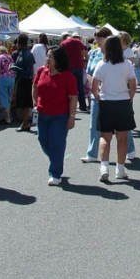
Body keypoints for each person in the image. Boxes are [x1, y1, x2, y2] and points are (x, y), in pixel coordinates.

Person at [92, 35, 137, 182]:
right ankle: (120, 169)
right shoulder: (127, 64)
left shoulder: (101, 64)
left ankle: (104, 167)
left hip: (106, 102)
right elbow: (133, 85)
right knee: (122, 138)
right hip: (123, 102)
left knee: (105, 137)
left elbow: (94, 86)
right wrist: (129, 97)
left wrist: (99, 97)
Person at [33, 47, 77, 186]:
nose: (47, 59)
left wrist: (72, 117)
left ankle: (55, 173)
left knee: (56, 143)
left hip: (60, 116)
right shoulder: (41, 71)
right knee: (43, 140)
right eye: (47, 56)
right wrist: (34, 102)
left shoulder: (68, 76)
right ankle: (57, 160)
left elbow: (73, 97)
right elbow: (35, 86)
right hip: (42, 113)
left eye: (50, 56)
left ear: (58, 59)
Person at [80, 27, 113, 163]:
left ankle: (129, 149)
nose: (97, 40)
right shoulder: (93, 53)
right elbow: (88, 72)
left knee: (120, 127)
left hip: (112, 94)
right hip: (96, 94)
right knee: (94, 124)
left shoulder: (115, 54)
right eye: (96, 38)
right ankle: (92, 154)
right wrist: (92, 86)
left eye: (100, 38)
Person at [119, 31, 137, 160]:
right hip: (119, 84)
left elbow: (130, 67)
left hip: (126, 84)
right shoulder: (117, 51)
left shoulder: (128, 51)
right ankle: (128, 149)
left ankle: (130, 149)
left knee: (125, 117)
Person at [11, 34, 35, 132]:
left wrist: (17, 69)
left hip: (25, 81)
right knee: (23, 103)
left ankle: (25, 123)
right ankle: (25, 122)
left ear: (19, 43)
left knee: (25, 103)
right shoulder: (22, 53)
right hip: (23, 80)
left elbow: (29, 71)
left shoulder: (27, 54)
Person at [60, 31, 88, 111]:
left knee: (69, 88)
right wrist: (83, 59)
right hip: (79, 66)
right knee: (80, 87)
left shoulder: (63, 43)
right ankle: (83, 106)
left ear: (63, 37)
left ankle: (69, 106)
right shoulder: (78, 41)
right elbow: (84, 52)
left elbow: (61, 56)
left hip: (69, 68)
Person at [0, 45, 15, 125]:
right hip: (12, 78)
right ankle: (10, 116)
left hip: (3, 78)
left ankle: (8, 118)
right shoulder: (10, 57)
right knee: (9, 97)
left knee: (4, 97)